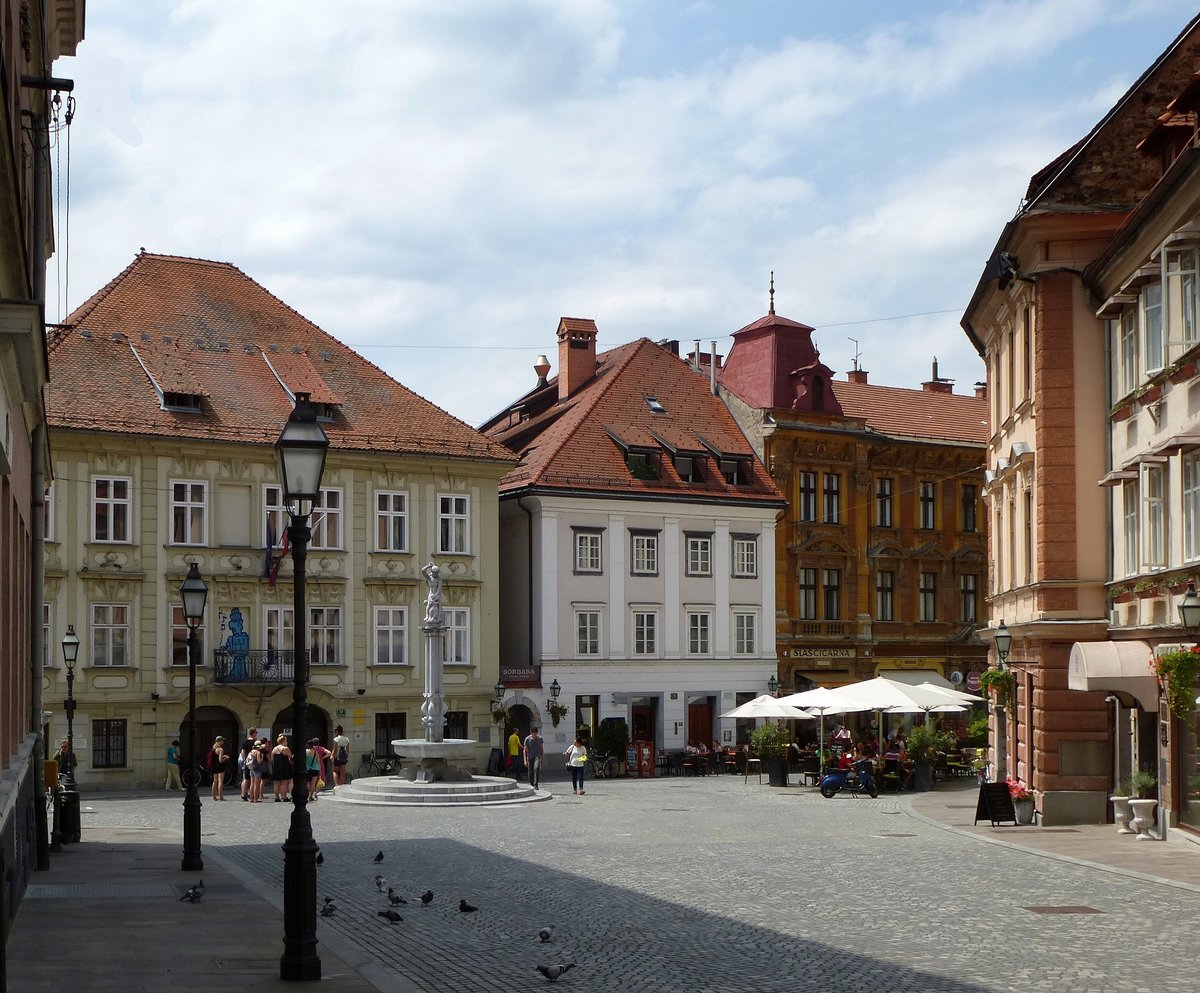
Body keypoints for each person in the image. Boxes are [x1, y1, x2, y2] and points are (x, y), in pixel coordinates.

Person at [271, 733, 294, 802]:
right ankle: (284, 797)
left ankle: (277, 797)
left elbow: (272, 759)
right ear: (283, 741)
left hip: (276, 767)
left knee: (276, 783)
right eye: (286, 741)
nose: (287, 742)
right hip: (285, 767)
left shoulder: (274, 749)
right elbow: (290, 756)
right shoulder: (285, 748)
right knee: (284, 783)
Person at [240, 726, 258, 800]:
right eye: (256, 732)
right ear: (253, 733)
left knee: (246, 779)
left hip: (247, 761)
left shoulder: (245, 742)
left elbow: (243, 753)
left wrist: (245, 760)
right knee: (253, 779)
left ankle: (243, 794)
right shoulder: (255, 742)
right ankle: (252, 795)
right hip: (254, 762)